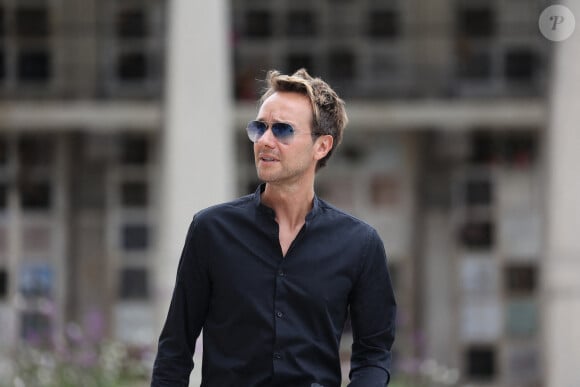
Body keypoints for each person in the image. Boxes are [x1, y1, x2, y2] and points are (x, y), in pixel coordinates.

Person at [151, 69, 397, 387]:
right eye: (260, 127)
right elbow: (175, 350)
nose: (265, 141)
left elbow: (374, 354)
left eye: (282, 130)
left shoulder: (360, 244)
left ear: (321, 146)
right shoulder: (211, 231)